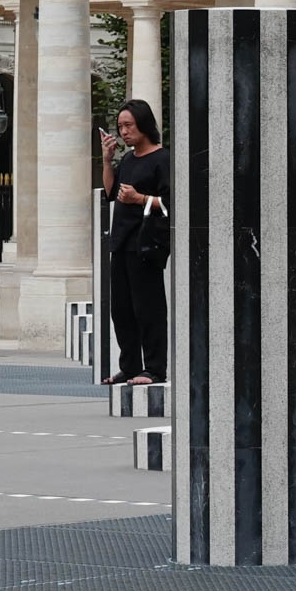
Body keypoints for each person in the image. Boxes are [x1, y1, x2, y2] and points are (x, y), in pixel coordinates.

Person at [98, 99, 170, 386]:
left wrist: (140, 199)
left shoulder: (163, 159)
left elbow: (171, 203)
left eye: (128, 125)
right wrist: (107, 160)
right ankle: (129, 367)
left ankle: (154, 369)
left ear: (144, 124)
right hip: (122, 242)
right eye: (120, 127)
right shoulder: (128, 160)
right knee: (122, 310)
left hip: (146, 244)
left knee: (148, 308)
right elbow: (111, 192)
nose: (124, 132)